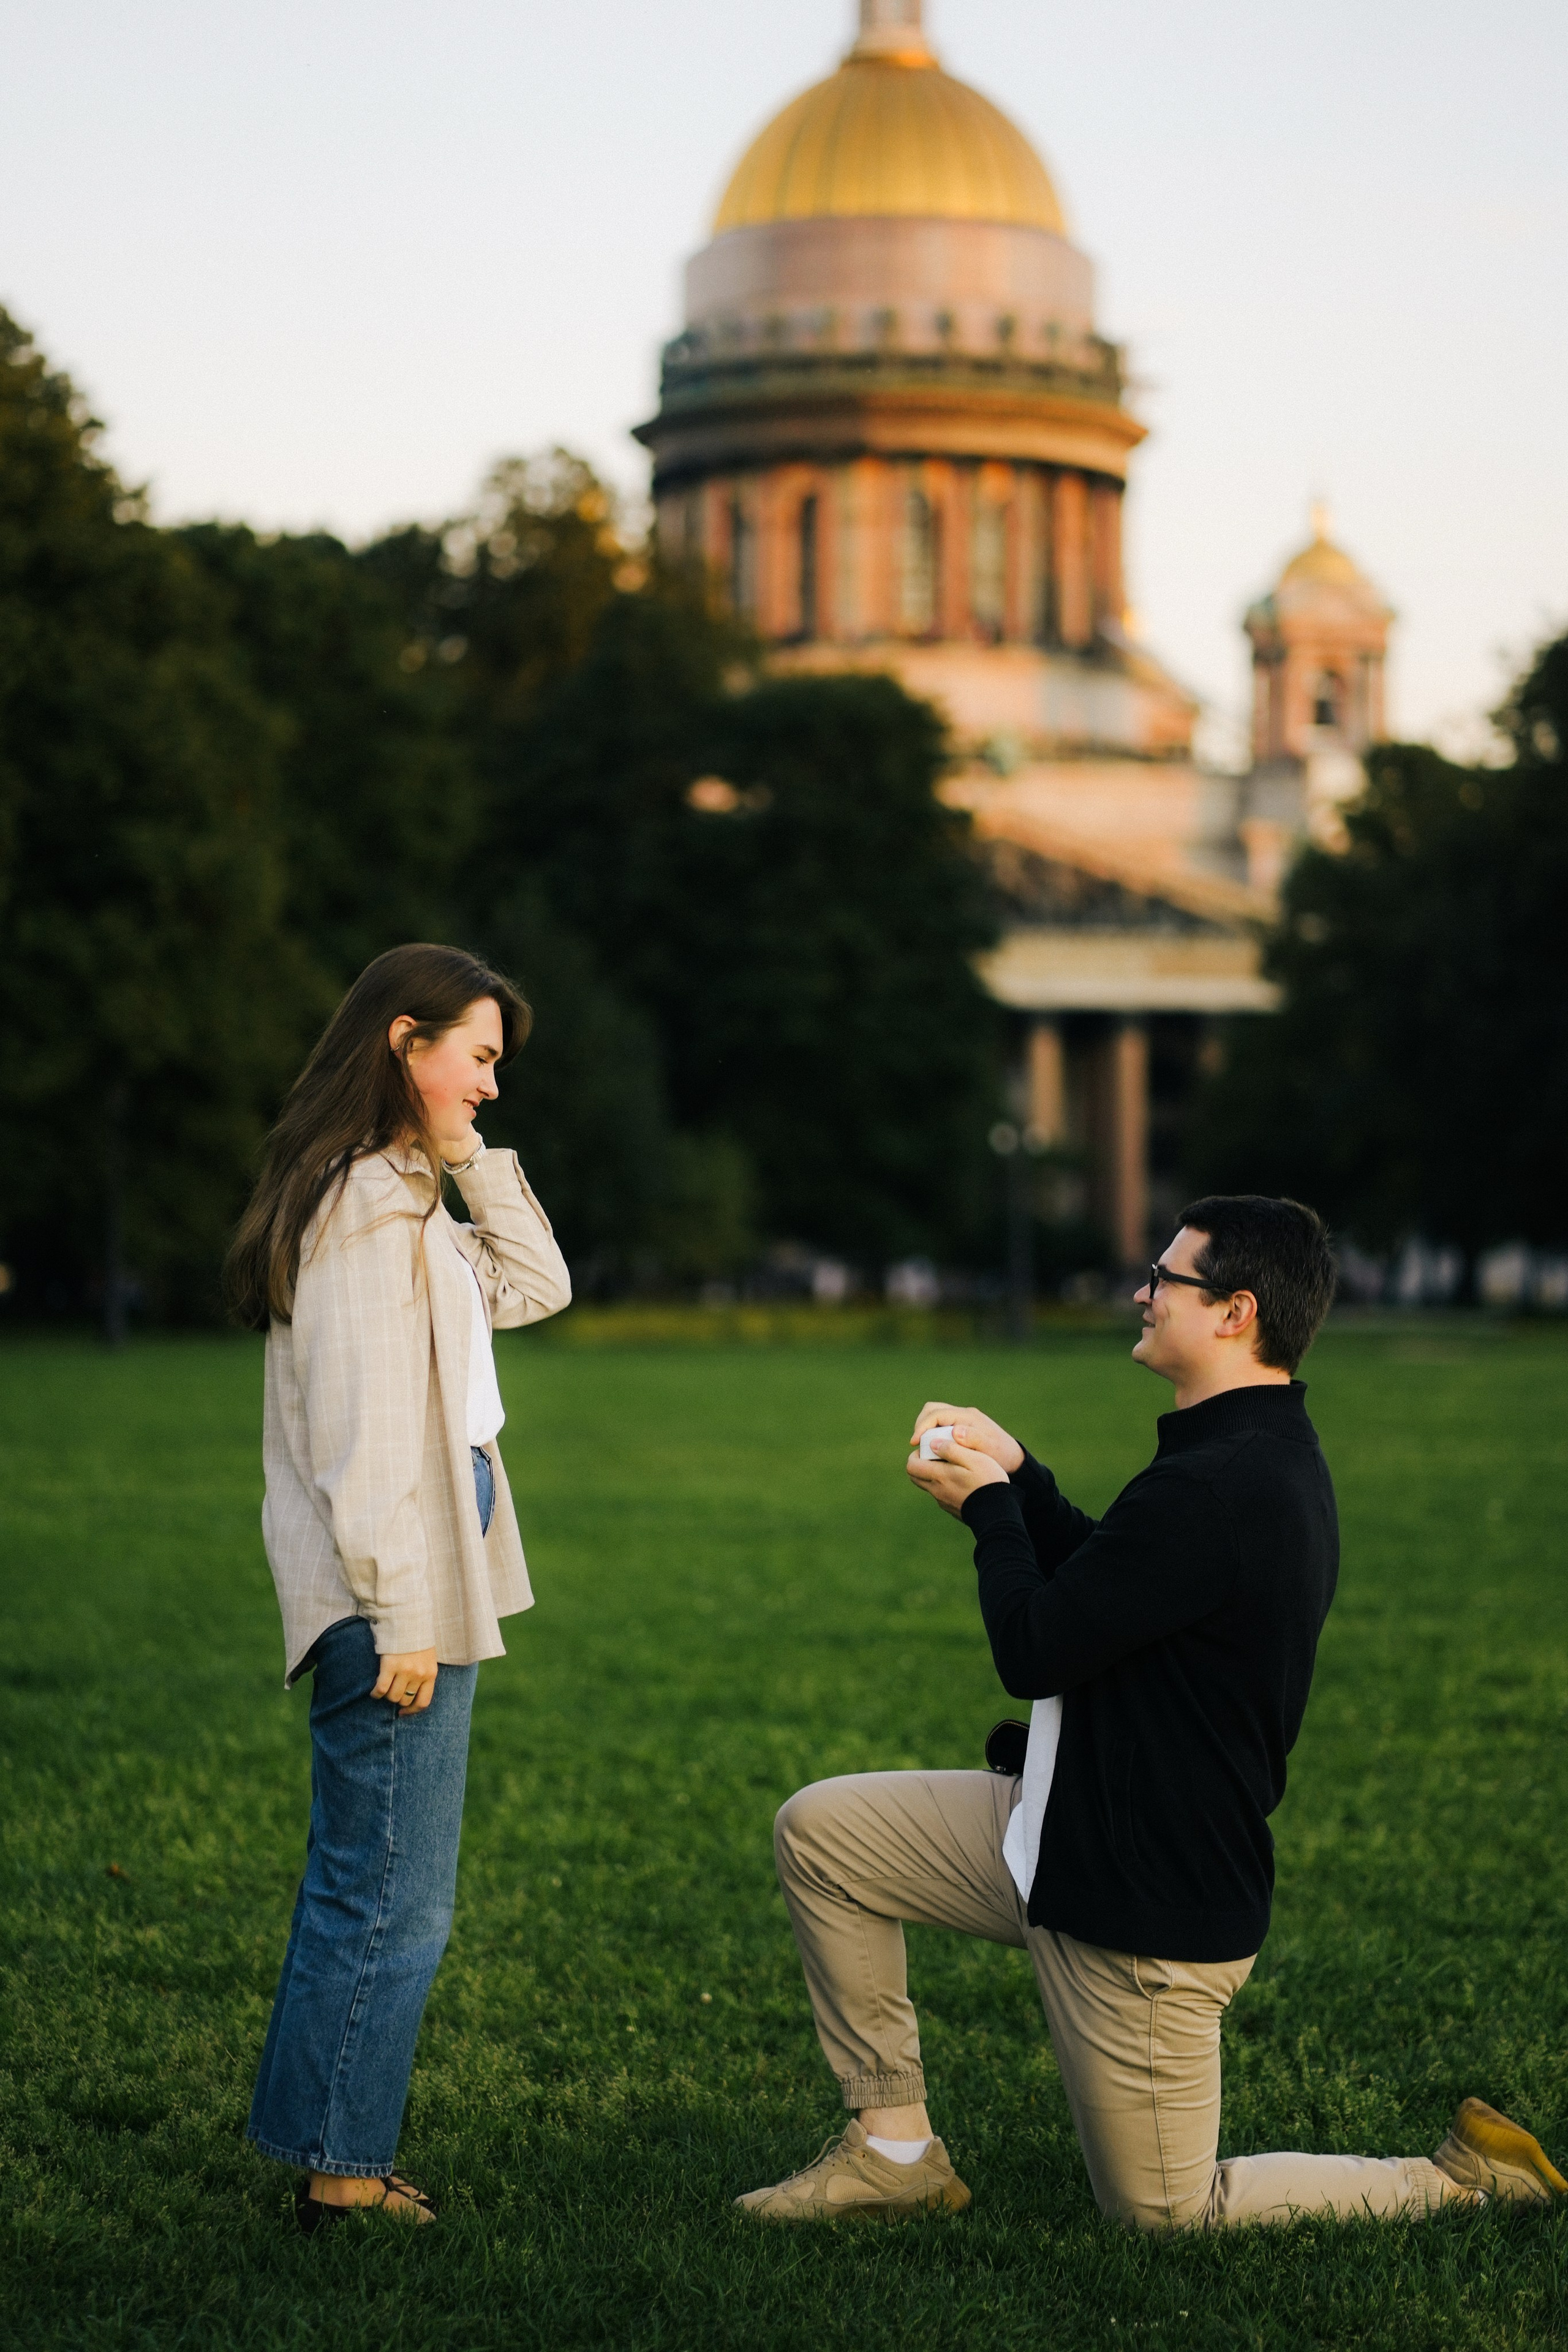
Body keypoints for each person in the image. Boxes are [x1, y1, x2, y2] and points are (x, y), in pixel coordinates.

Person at [737, 1194, 1566, 2228]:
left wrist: (991, 1510)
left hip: (1146, 1905)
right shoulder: (1242, 1452)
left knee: (1171, 2215)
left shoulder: (1228, 1482)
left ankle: (1461, 2182)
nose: (1142, 1291)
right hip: (1072, 1831)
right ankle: (894, 2153)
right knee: (826, 1835)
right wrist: (1028, 1477)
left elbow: (1036, 1644)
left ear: (1234, 1311)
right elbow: (1121, 1582)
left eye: (1164, 1278)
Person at [225, 942, 571, 2232]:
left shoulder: (408, 1201)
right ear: (401, 1043)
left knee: (376, 1883)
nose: (489, 1086)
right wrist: (402, 1613)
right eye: (475, 1058)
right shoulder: (366, 1210)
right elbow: (362, 1441)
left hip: (424, 1559)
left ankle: (334, 2154)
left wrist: (472, 1161)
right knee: (388, 1896)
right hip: (395, 1584)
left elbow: (536, 1284)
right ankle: (340, 2178)